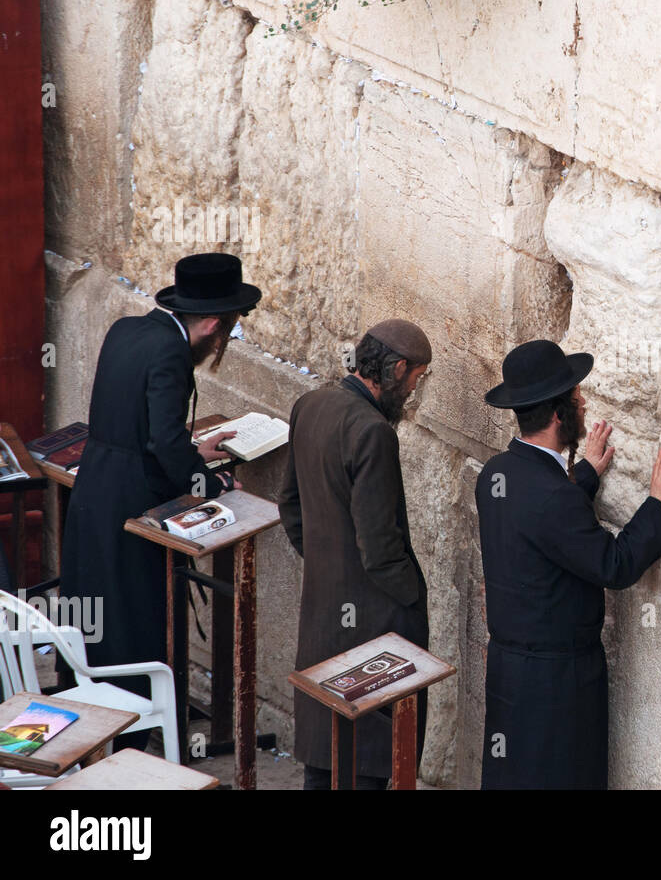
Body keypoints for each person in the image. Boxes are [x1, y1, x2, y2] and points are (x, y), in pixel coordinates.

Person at [59, 253, 259, 747]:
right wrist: (210, 486)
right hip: (129, 503)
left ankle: (85, 717)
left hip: (96, 486)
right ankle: (133, 736)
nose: (222, 342)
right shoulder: (171, 353)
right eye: (226, 332)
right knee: (134, 616)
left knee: (96, 612)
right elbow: (164, 445)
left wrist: (193, 451)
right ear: (213, 324)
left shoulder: (127, 329)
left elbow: (143, 426)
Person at [476, 339, 661, 789]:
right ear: (557, 415)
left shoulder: (495, 475)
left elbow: (543, 525)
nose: (583, 401)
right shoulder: (554, 499)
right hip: (557, 684)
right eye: (575, 397)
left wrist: (584, 474)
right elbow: (614, 565)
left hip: (510, 673)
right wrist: (655, 504)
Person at [278, 319, 432, 790]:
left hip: (324, 609)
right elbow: (381, 548)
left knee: (324, 757)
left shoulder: (311, 404)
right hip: (371, 621)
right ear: (397, 368)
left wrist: (329, 565)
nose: (412, 393)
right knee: (365, 759)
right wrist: (413, 597)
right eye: (415, 380)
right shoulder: (373, 432)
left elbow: (290, 506)